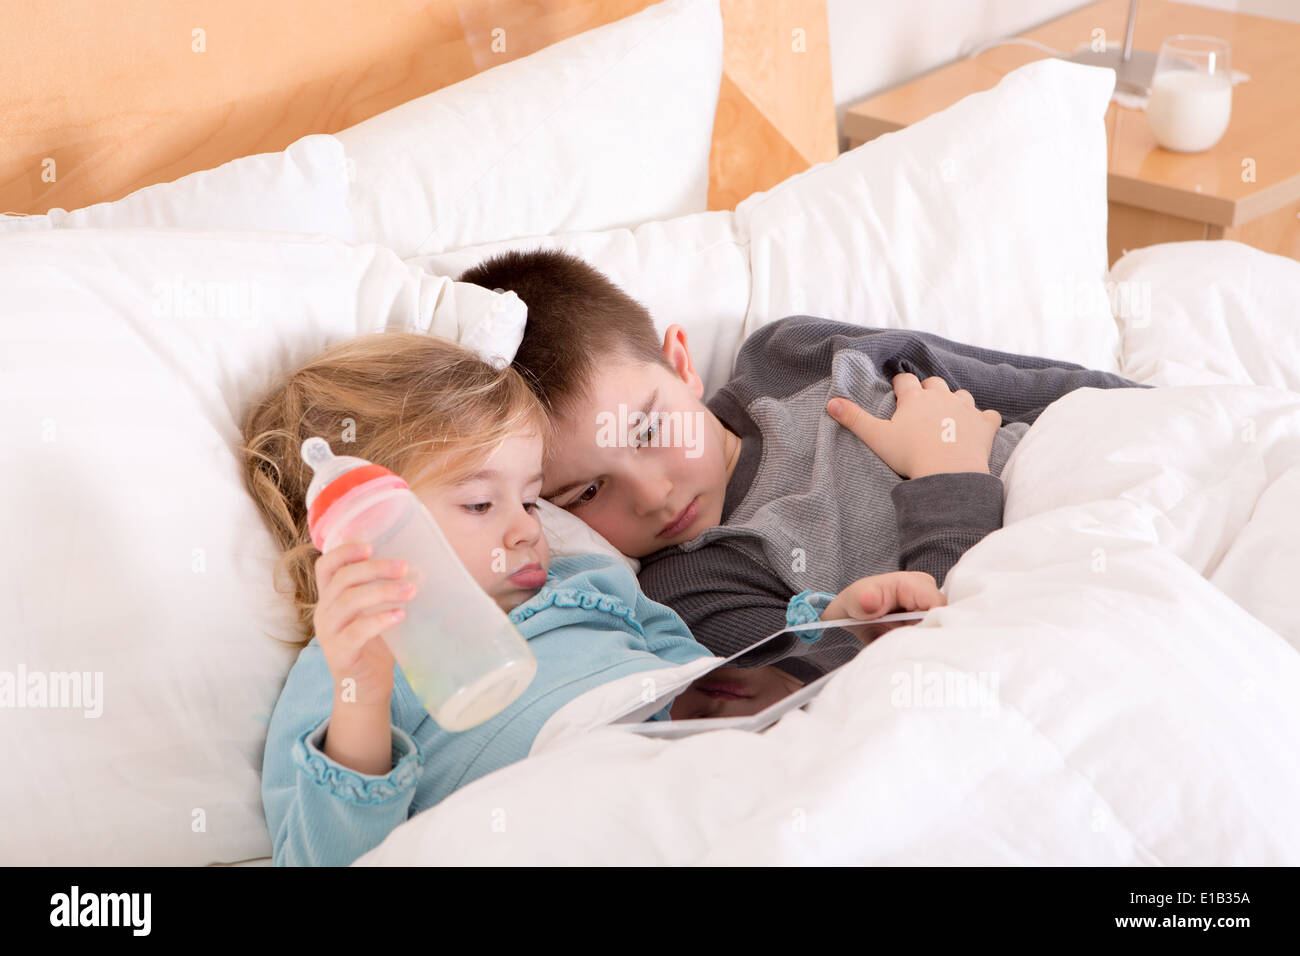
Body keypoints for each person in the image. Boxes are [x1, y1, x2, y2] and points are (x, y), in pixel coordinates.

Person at [240, 331, 942, 865]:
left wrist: (831, 623)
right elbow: (325, 857)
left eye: (534, 498)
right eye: (482, 503)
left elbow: (705, 681)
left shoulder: (594, 586)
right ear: (369, 534)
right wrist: (360, 697)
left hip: (696, 770)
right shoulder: (356, 667)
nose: (526, 530)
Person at [460, 249, 1153, 685]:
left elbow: (1033, 386)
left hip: (1130, 480)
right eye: (586, 491)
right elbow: (898, 680)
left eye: (648, 427)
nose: (653, 493)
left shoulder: (791, 356)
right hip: (1061, 620)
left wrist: (1183, 413)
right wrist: (947, 476)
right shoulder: (692, 586)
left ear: (681, 363)